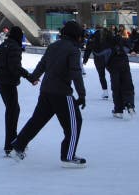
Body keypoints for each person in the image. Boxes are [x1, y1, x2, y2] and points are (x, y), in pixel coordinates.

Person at [10, 20, 87, 168]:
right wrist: (82, 94)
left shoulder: (53, 46)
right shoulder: (73, 50)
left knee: (37, 121)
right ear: (75, 35)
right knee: (75, 123)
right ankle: (68, 157)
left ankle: (18, 145)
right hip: (62, 93)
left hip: (46, 91)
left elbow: (42, 64)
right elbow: (76, 73)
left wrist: (33, 76)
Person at [0, 26, 34, 156]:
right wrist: (30, 77)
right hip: (8, 82)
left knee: (13, 110)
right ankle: (10, 145)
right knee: (13, 111)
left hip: (2, 82)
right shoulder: (14, 47)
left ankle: (12, 142)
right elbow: (15, 67)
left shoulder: (3, 46)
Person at [107, 31, 135, 119]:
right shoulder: (123, 49)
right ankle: (129, 103)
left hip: (114, 68)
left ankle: (118, 110)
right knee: (127, 85)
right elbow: (130, 46)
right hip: (124, 66)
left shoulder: (109, 47)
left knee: (116, 88)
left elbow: (104, 58)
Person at [82, 26, 114, 99]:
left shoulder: (93, 36)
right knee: (113, 73)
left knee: (101, 75)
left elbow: (88, 48)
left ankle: (105, 92)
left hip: (98, 58)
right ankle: (116, 89)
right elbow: (114, 45)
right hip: (109, 57)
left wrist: (85, 60)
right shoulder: (108, 34)